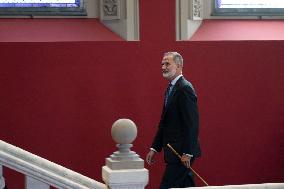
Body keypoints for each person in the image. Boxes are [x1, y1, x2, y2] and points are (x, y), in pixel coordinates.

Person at [146, 52, 201, 188]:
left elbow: (192, 124)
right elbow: (164, 123)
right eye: (162, 64)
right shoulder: (171, 89)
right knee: (186, 184)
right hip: (174, 152)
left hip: (181, 153)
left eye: (167, 64)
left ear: (178, 66)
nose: (163, 67)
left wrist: (187, 153)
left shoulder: (185, 88)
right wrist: (154, 148)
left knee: (167, 186)